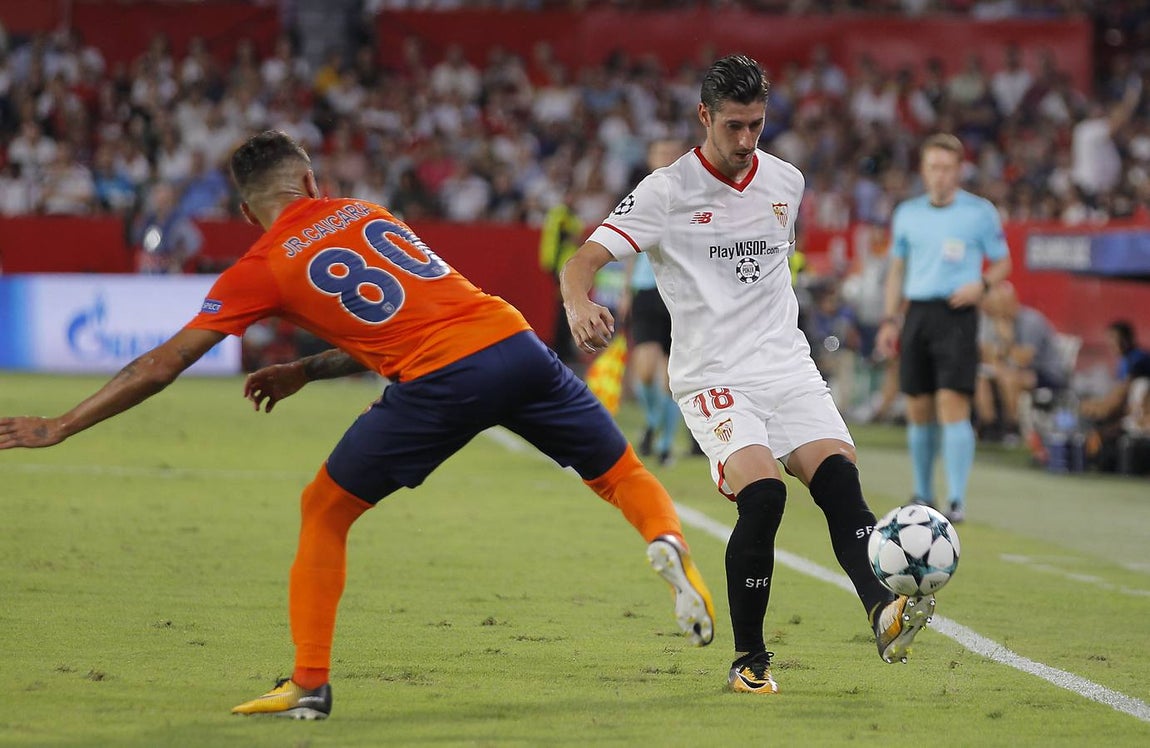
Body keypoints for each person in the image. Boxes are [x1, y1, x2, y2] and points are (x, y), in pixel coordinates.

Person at [0, 130, 716, 720]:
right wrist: (304, 371)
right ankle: (667, 543)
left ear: (250, 214)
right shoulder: (367, 212)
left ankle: (309, 683)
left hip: (439, 377)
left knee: (326, 507)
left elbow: (161, 363)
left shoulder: (263, 262)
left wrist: (62, 424)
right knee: (621, 472)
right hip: (513, 341)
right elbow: (398, 314)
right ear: (310, 182)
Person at [561, 54, 930, 697]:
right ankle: (750, 660)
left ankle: (884, 610)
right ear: (703, 116)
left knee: (841, 482)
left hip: (785, 363)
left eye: (755, 125)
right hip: (712, 375)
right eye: (732, 126)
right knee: (765, 496)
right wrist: (577, 301)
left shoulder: (787, 181)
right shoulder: (665, 192)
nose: (744, 141)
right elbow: (581, 259)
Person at [876, 133, 1012, 524]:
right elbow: (897, 269)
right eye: (933, 167)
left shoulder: (979, 212)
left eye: (947, 168)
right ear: (923, 170)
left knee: (953, 403)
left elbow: (1003, 263)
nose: (940, 175)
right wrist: (890, 319)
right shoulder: (907, 213)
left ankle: (956, 499)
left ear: (959, 171)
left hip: (957, 314)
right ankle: (922, 493)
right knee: (918, 405)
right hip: (917, 312)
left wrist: (982, 285)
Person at [617, 138, 689, 465]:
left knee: (671, 377)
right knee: (645, 372)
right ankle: (652, 421)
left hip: (679, 294)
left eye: (671, 152)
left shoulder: (691, 196)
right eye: (660, 152)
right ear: (649, 157)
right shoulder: (641, 197)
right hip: (646, 290)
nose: (666, 157)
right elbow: (631, 246)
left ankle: (664, 443)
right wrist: (625, 290)